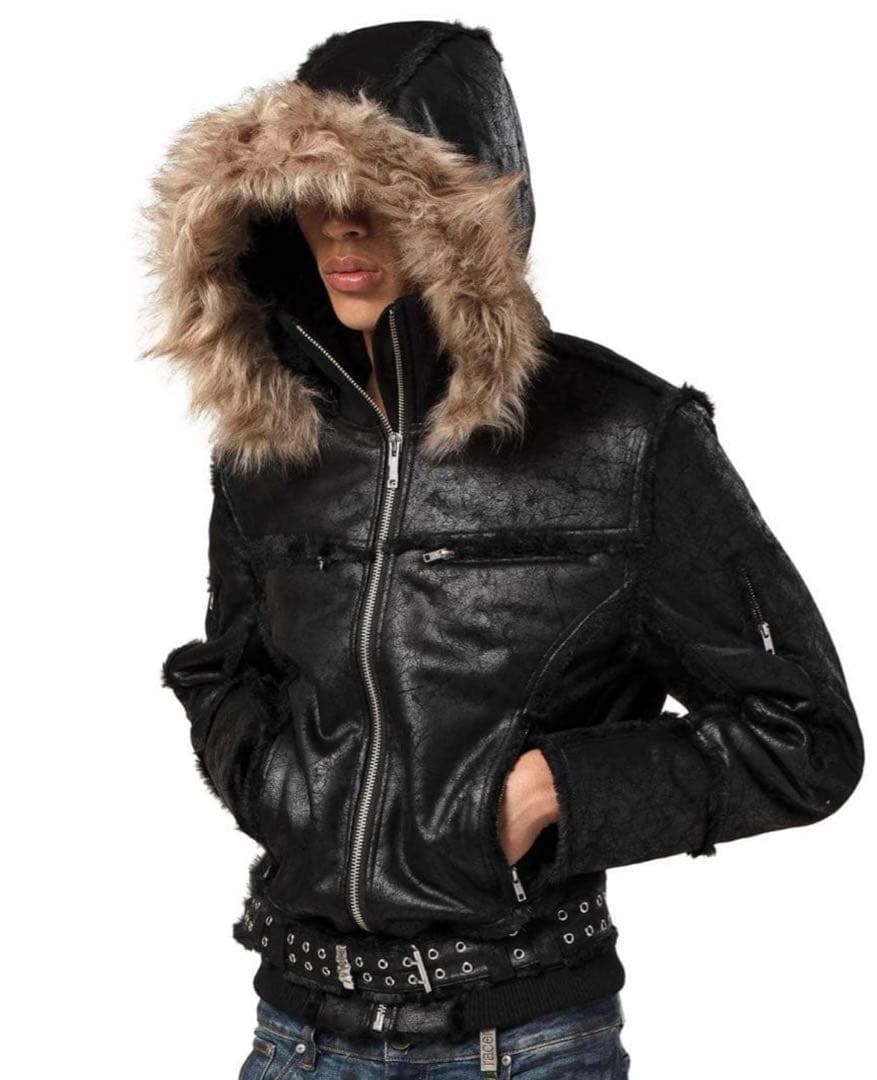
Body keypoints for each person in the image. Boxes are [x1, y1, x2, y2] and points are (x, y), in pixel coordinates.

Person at [139, 19, 864, 1080]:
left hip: (516, 1045)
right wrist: (278, 785)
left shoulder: (625, 439)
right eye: (310, 190)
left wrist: (552, 790)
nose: (339, 225)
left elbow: (803, 736)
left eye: (376, 189)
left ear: (470, 206)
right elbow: (230, 670)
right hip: (295, 1036)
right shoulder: (271, 440)